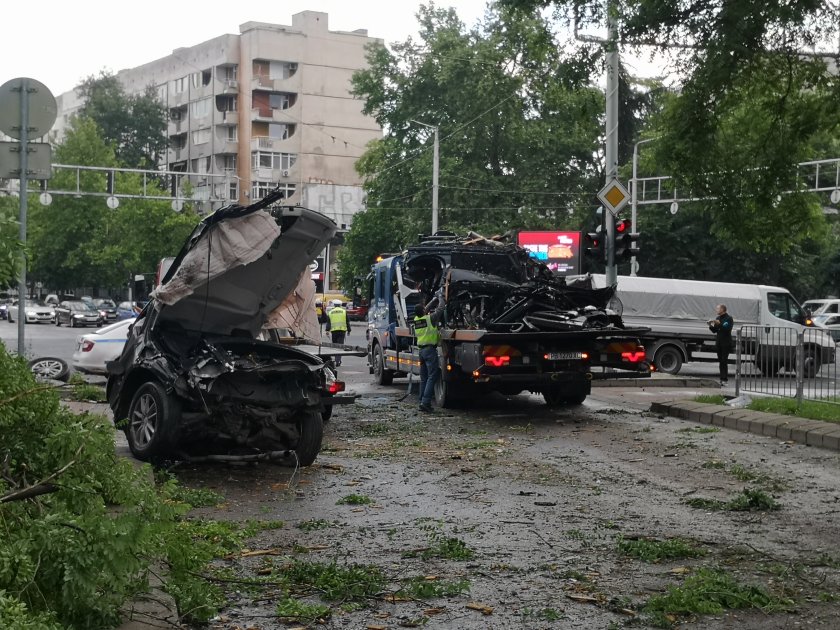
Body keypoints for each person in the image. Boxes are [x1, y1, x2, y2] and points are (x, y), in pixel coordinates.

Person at [413, 302, 444, 412]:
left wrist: (429, 304)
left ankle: (422, 401)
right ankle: (425, 402)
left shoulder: (417, 320)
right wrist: (441, 297)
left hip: (421, 351)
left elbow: (426, 310)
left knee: (424, 378)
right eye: (424, 308)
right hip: (429, 351)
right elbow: (440, 309)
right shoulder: (430, 318)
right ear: (423, 311)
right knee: (432, 376)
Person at [708, 304, 734, 386]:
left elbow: (726, 328)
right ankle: (721, 379)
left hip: (726, 343)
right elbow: (714, 330)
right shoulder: (717, 318)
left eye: (718, 308)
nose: (716, 310)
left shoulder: (729, 318)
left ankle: (724, 379)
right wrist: (710, 325)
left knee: (724, 360)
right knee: (720, 361)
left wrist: (718, 324)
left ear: (722, 309)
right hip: (719, 342)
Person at [325, 299, 350, 366]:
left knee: (335, 346)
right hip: (342, 331)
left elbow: (328, 323)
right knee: (340, 346)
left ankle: (337, 360)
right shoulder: (344, 312)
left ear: (334, 305)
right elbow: (347, 322)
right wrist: (349, 330)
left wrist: (327, 330)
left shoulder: (330, 312)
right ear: (340, 305)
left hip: (334, 331)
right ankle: (338, 361)